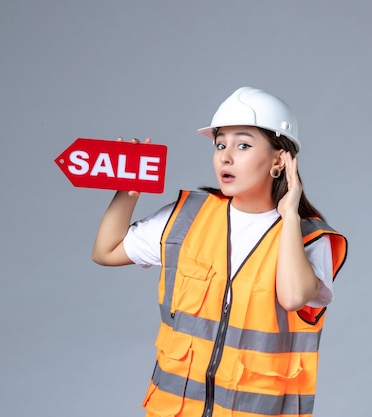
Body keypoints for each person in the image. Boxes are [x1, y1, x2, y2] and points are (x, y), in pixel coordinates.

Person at [92, 86, 348, 417]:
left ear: (279, 160)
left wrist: (289, 214)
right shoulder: (185, 218)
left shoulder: (310, 239)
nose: (225, 156)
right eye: (220, 144)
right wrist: (129, 189)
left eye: (243, 145)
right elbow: (106, 251)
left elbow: (293, 296)